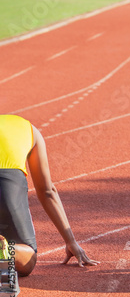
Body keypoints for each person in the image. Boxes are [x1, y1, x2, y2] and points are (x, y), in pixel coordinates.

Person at [0, 114, 99, 276]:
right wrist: (70, 241)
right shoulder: (30, 130)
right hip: (8, 186)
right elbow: (47, 191)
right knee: (27, 258)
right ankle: (8, 252)